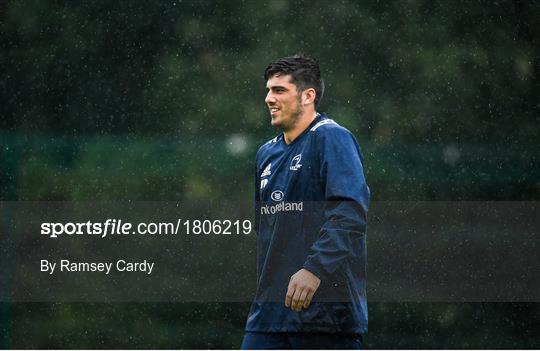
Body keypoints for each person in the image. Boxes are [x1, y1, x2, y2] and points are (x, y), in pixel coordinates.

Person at [241, 55, 370, 350]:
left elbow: (349, 214)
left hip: (325, 317)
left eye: (279, 90)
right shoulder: (266, 154)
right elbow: (264, 230)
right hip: (269, 317)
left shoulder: (332, 138)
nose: (268, 98)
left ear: (308, 95)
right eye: (268, 90)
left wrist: (314, 269)